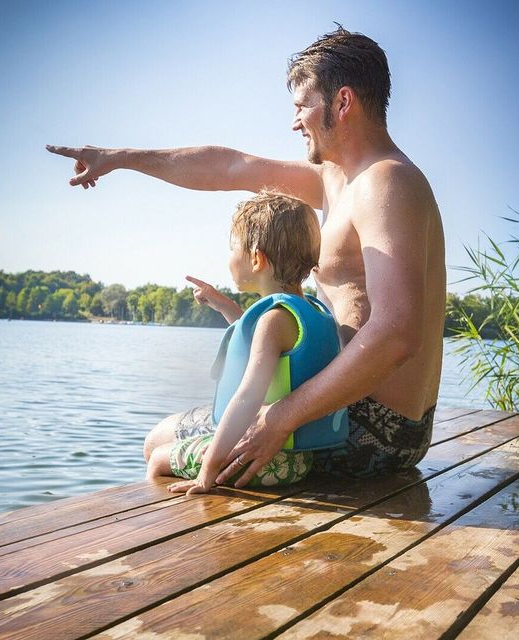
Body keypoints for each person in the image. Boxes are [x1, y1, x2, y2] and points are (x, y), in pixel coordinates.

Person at [47, 26, 446, 487]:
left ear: (343, 102)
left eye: (302, 106)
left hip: (373, 431)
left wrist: (279, 418)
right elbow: (231, 166)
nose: (295, 122)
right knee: (166, 441)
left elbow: (398, 333)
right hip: (347, 414)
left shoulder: (384, 182)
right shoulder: (338, 180)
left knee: (157, 444)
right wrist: (120, 157)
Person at [146, 191, 348, 494]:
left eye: (233, 249)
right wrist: (223, 305)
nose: (229, 257)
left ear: (256, 259)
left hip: (263, 458)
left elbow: (247, 397)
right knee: (169, 448)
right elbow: (268, 349)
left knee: (156, 457)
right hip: (298, 460)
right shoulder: (309, 314)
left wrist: (208, 471)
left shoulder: (272, 321)